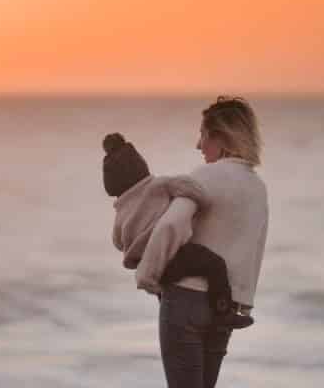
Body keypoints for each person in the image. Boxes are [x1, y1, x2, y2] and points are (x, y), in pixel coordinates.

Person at [136, 96, 269, 388]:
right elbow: (254, 253)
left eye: (203, 135)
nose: (198, 145)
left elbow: (169, 225)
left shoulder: (205, 177)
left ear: (220, 137)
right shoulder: (258, 188)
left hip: (186, 302)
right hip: (225, 309)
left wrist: (148, 276)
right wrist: (243, 305)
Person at [103, 132, 253, 330]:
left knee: (166, 299)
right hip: (174, 255)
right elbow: (194, 190)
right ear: (140, 165)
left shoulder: (120, 212)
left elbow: (118, 242)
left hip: (149, 267)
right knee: (214, 264)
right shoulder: (158, 185)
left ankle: (174, 322)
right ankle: (222, 312)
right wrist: (200, 205)